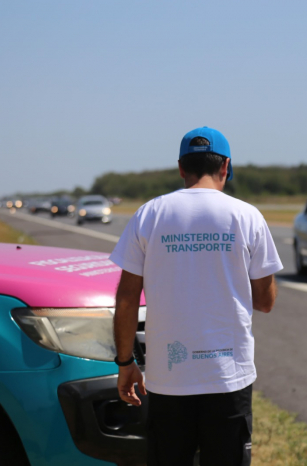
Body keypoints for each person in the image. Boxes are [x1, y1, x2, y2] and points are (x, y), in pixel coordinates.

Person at [110, 126, 283, 466]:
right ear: (226, 166)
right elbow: (265, 301)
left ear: (181, 168)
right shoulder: (247, 216)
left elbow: (127, 298)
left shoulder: (150, 213)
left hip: (167, 379)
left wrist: (126, 362)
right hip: (227, 378)